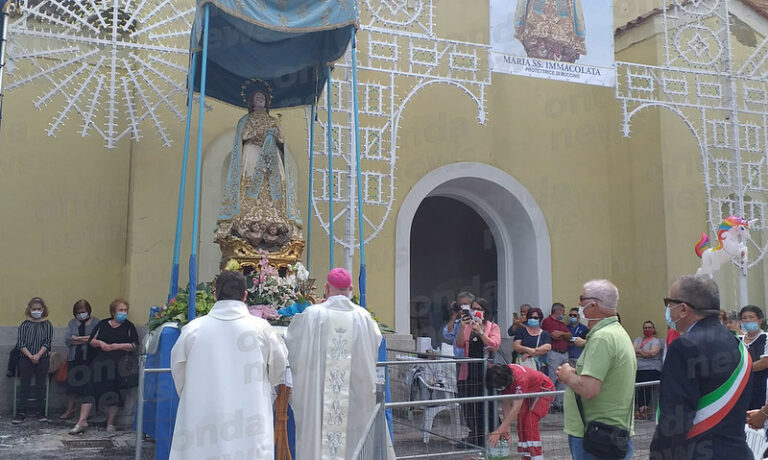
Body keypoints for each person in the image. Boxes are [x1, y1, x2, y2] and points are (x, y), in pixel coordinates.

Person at [169, 270, 288, 459]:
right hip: (250, 412)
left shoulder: (194, 329)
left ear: (215, 294)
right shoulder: (262, 328)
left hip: (203, 413)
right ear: (245, 295)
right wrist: (266, 387)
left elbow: (178, 369)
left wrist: (191, 394)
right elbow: (279, 364)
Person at [650, 275, 752, 459]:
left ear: (683, 309)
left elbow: (674, 420)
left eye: (669, 302)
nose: (668, 309)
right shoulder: (736, 343)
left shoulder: (684, 346)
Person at [286, 268, 382, 460]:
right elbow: (375, 344)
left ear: (326, 289)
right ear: (351, 289)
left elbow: (292, 341)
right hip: (354, 396)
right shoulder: (363, 317)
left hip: (318, 397)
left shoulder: (313, 315)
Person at [214, 82, 302, 265]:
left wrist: (273, 134)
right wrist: (257, 132)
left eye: (263, 97)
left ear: (267, 101)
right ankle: (247, 220)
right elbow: (243, 136)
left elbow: (281, 140)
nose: (260, 99)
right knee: (249, 185)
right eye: (257, 97)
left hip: (272, 160)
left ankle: (275, 221)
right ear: (251, 101)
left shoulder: (274, 121)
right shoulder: (245, 120)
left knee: (274, 188)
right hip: (253, 155)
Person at [556, 279, 636, 460]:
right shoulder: (617, 332)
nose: (578, 305)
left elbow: (589, 389)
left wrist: (568, 375)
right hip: (609, 433)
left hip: (597, 436)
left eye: (581, 298)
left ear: (593, 304)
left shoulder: (602, 338)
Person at [70, 299, 139, 434]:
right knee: (89, 386)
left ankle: (110, 422)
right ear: (113, 312)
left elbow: (134, 345)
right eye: (121, 310)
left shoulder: (129, 326)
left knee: (112, 389)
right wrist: (101, 343)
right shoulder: (103, 324)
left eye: (125, 310)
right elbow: (92, 341)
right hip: (101, 361)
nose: (123, 313)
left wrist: (117, 346)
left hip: (119, 363)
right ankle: (82, 421)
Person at [456, 298, 501, 447]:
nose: (475, 311)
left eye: (478, 308)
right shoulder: (468, 326)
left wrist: (481, 331)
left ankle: (493, 433)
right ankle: (475, 433)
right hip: (468, 371)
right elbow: (460, 344)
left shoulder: (492, 327)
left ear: (485, 311)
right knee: (470, 406)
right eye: (473, 308)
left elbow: (494, 345)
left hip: (485, 373)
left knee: (487, 405)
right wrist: (463, 327)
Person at [486, 363, 554, 459]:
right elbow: (506, 404)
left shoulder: (520, 378)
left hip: (544, 390)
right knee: (521, 424)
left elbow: (515, 409)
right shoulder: (504, 377)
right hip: (529, 392)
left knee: (529, 422)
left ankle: (537, 456)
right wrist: (506, 430)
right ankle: (526, 457)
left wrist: (499, 431)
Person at [13, 297, 53, 424]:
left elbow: (48, 342)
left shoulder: (48, 325)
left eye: (39, 309)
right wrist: (30, 356)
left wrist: (38, 355)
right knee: (24, 385)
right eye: (34, 309)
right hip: (25, 359)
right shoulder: (24, 325)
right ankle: (21, 413)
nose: (36, 311)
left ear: (43, 310)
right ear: (29, 310)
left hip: (43, 358)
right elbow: (21, 343)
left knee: (41, 385)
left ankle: (40, 412)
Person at [60, 299, 99, 420]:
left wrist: (78, 339)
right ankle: (70, 409)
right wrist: (85, 339)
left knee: (88, 385)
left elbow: (94, 339)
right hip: (74, 358)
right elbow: (68, 340)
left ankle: (88, 413)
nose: (82, 314)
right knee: (72, 385)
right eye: (79, 312)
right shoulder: (72, 323)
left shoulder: (96, 322)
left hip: (90, 358)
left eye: (84, 311)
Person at [514, 0, 586, 62]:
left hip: (538, 30)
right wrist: (580, 37)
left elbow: (522, 5)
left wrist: (519, 26)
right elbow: (578, 11)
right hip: (559, 34)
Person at [542, 302, 571, 411]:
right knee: (552, 378)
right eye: (563, 311)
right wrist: (563, 335)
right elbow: (553, 336)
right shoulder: (547, 322)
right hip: (554, 353)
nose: (563, 314)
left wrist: (562, 334)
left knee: (563, 378)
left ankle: (560, 403)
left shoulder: (562, 324)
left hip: (564, 354)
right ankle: (550, 403)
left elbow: (570, 336)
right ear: (557, 311)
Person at [739, 305, 768, 410]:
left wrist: (741, 370)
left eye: (751, 317)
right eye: (744, 318)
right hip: (741, 387)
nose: (747, 320)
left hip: (760, 386)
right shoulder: (737, 340)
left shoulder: (765, 338)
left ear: (760, 320)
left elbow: (764, 363)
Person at [633, 321, 662, 420]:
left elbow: (653, 353)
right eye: (645, 328)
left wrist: (639, 351)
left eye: (649, 327)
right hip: (637, 368)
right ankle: (638, 410)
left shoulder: (655, 341)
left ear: (653, 329)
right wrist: (644, 353)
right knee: (635, 385)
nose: (647, 329)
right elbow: (632, 351)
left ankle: (643, 409)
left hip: (651, 369)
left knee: (645, 386)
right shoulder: (638, 339)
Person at [513, 307, 551, 373]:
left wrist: (530, 353)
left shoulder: (544, 333)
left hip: (539, 367)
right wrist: (528, 350)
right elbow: (516, 346)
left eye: (535, 318)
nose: (533, 319)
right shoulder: (521, 330)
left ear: (540, 319)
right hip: (523, 365)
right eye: (530, 317)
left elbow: (547, 347)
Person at [443, 292, 475, 357]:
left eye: (465, 304)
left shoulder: (476, 322)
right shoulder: (457, 323)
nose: (463, 306)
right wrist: (454, 314)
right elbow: (447, 335)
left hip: (471, 359)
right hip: (458, 359)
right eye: (461, 304)